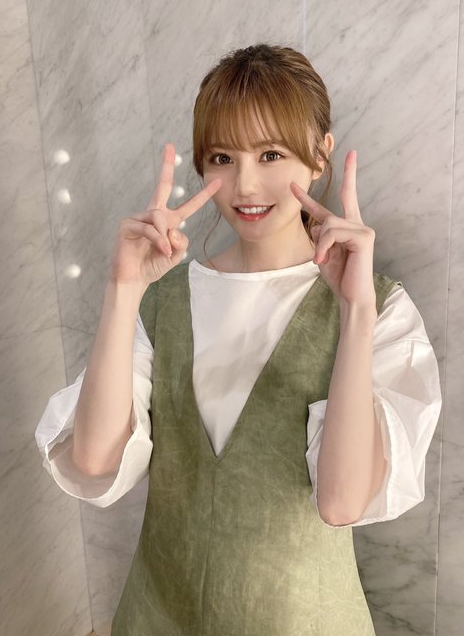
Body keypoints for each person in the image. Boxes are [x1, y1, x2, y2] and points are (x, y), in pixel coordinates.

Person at [35, 44, 442, 635]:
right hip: (157, 617)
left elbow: (342, 502)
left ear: (320, 154)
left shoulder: (382, 311)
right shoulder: (163, 300)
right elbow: (93, 461)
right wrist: (123, 290)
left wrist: (355, 313)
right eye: (223, 157)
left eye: (271, 154)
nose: (246, 185)